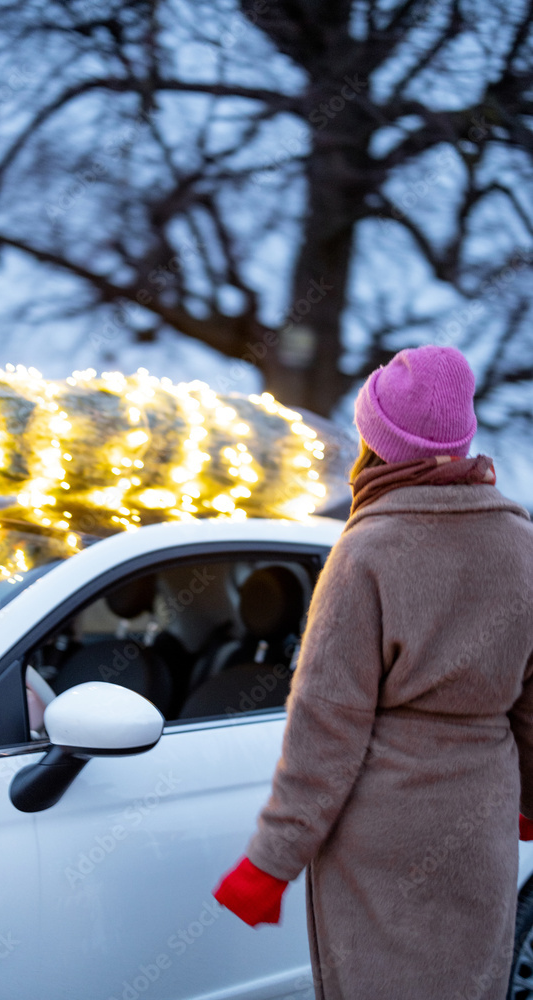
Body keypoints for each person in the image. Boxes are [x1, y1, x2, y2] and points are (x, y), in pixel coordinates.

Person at [212, 344, 533, 1000]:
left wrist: (270, 863)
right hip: (483, 817)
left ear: (377, 444)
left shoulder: (365, 552)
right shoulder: (521, 545)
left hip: (383, 829)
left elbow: (325, 723)